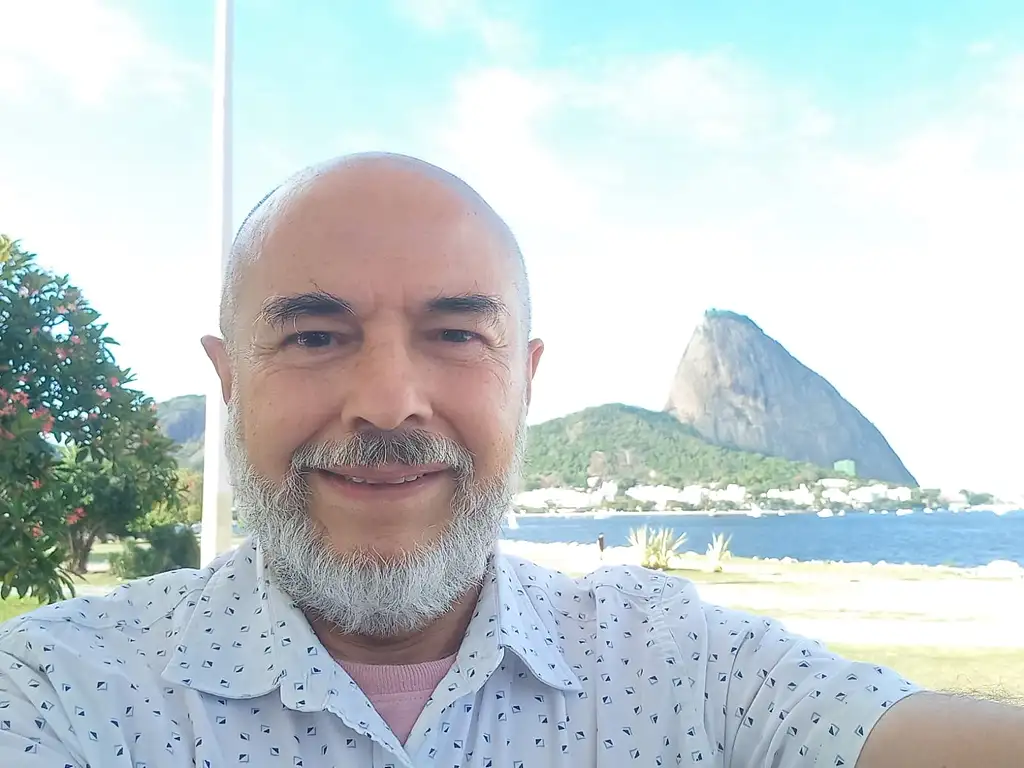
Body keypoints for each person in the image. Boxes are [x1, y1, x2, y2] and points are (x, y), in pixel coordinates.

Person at [1, 153, 1020, 767]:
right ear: (229, 380)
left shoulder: (675, 661)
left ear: (525, 381)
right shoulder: (63, 690)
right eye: (313, 335)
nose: (390, 400)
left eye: (455, 333)